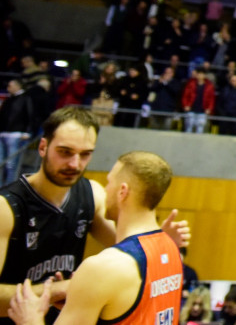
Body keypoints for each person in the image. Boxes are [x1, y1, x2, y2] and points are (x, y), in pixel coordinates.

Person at [0, 108, 188, 323]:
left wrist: (157, 240)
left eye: (85, 154)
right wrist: (61, 289)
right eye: (65, 152)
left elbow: (130, 253)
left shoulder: (93, 193)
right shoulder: (6, 206)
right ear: (42, 147)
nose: (75, 164)